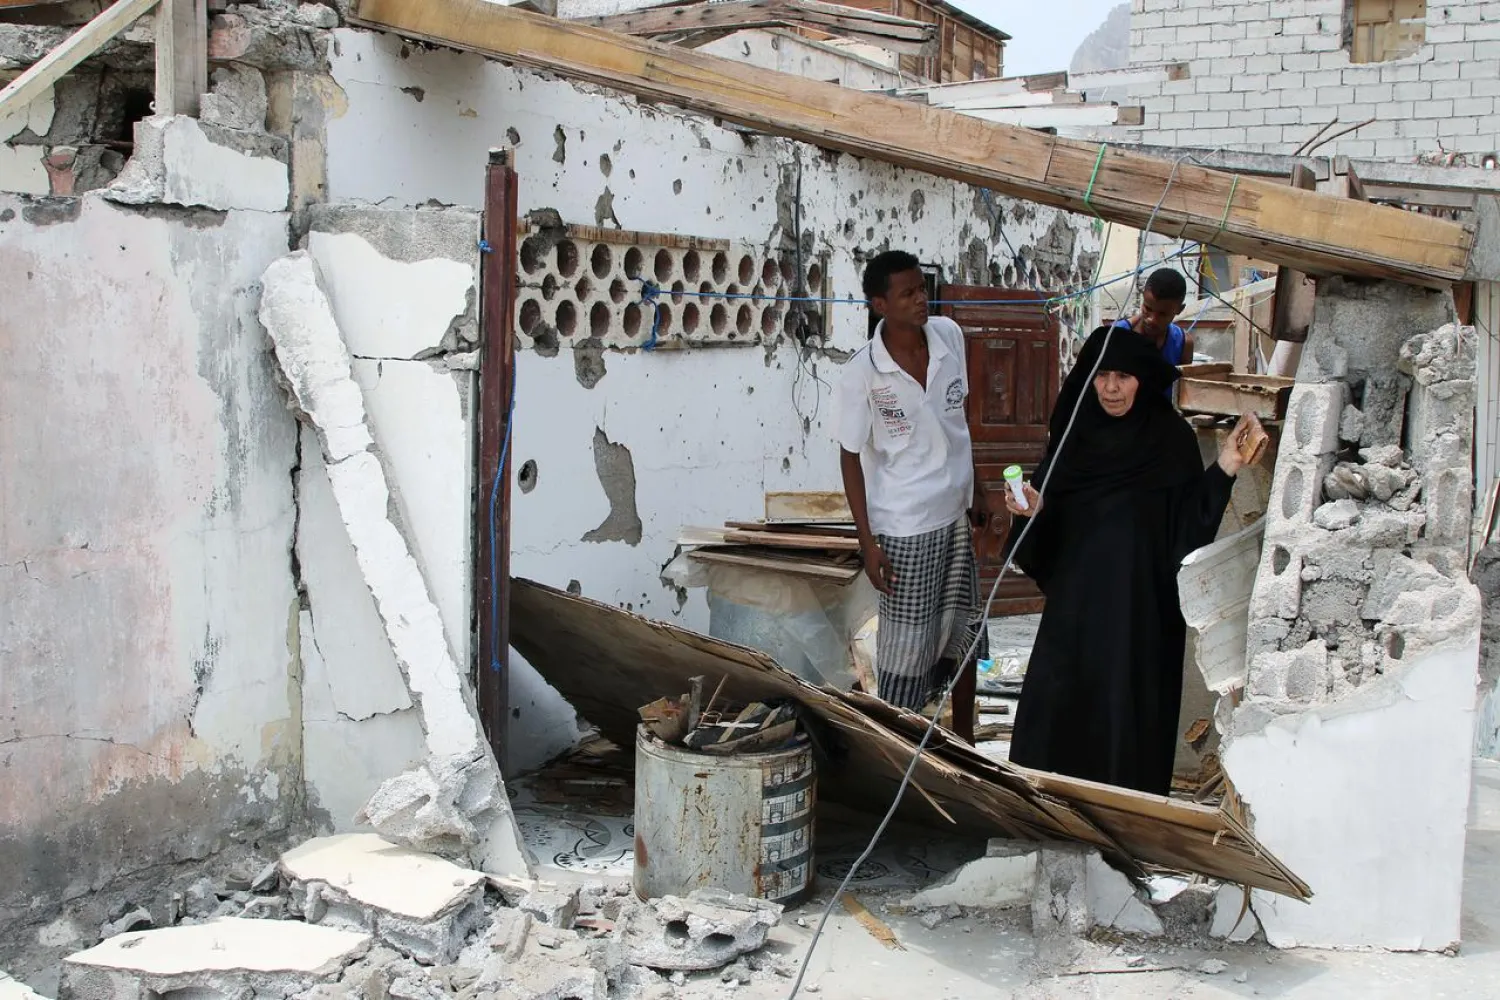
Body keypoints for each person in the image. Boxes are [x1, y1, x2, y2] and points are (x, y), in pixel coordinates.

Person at [1000, 325, 1255, 795]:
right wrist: (1032, 511)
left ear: (1141, 378)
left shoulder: (1169, 439)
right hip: (1075, 611)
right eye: (1101, 376)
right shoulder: (1073, 438)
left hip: (1141, 612)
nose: (1111, 388)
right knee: (1060, 712)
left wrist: (1225, 467)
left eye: (1123, 376)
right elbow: (1044, 527)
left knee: (1127, 720)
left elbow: (1188, 526)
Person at [835, 250, 991, 744]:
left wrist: (980, 487)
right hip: (904, 526)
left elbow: (958, 421)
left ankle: (965, 742)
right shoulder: (863, 372)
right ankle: (900, 750)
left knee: (963, 634)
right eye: (908, 293)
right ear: (880, 304)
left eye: (922, 289)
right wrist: (869, 544)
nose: (921, 299)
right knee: (906, 654)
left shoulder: (949, 337)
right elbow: (850, 458)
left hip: (955, 516)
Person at [1115, 267, 1194, 371]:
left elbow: (1183, 385)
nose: (1152, 319)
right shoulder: (1116, 335)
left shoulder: (1183, 344)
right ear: (1143, 296)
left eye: (1162, 314)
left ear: (1179, 309)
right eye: (1148, 308)